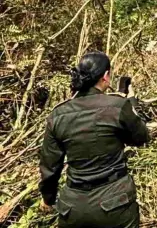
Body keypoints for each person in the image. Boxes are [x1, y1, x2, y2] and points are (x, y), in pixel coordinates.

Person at [39, 51, 149, 228]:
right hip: (115, 203)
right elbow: (141, 137)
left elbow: (50, 165)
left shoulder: (58, 114)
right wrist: (132, 104)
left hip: (73, 208)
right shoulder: (118, 106)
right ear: (105, 76)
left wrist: (48, 198)